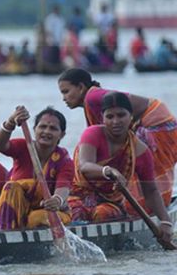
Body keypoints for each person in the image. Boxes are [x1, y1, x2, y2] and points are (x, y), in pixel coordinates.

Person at [58, 68, 177, 207]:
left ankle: (152, 208)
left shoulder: (92, 98)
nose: (63, 98)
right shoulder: (92, 99)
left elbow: (109, 138)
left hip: (156, 122)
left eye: (66, 92)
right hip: (151, 119)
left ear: (80, 87)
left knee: (144, 169)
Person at [67, 92, 173, 246]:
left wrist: (166, 222)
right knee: (72, 214)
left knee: (103, 214)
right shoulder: (92, 134)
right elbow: (85, 166)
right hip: (75, 196)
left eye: (121, 115)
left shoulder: (140, 150)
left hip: (110, 202)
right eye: (110, 117)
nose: (116, 121)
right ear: (103, 118)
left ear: (131, 117)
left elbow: (150, 191)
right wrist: (107, 171)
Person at [0, 107, 74, 230]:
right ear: (34, 129)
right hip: (15, 210)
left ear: (62, 134)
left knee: (37, 219)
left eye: (53, 128)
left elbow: (63, 187)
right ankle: (6, 232)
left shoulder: (64, 161)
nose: (47, 131)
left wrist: (56, 200)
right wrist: (11, 122)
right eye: (42, 127)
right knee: (11, 187)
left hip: (45, 212)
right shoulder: (24, 147)